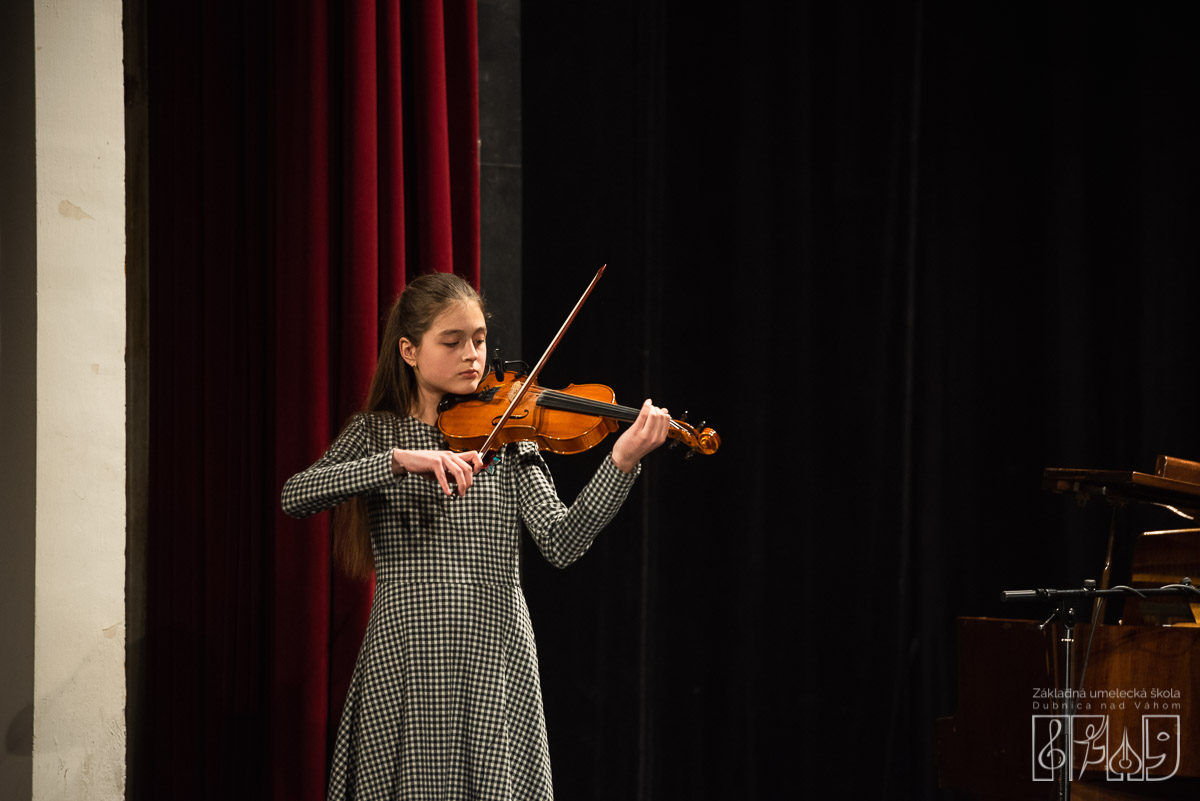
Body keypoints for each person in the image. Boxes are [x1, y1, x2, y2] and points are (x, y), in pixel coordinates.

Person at [281, 272, 670, 800]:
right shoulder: (376, 434)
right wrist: (397, 461)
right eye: (453, 341)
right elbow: (297, 495)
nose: (473, 355)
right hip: (406, 652)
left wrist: (620, 463)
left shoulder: (510, 440)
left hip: (495, 649)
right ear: (409, 350)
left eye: (480, 340)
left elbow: (562, 542)